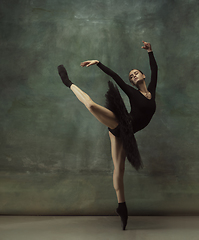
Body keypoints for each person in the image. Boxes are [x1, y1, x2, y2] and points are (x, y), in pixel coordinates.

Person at [57, 41, 158, 230]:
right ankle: (68, 83)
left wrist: (150, 51)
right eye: (131, 76)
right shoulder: (131, 91)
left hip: (123, 135)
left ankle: (122, 207)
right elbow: (116, 77)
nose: (133, 75)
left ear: (143, 76)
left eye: (136, 73)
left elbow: (155, 68)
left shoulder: (152, 90)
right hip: (119, 122)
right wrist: (98, 63)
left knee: (119, 170)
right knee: (92, 106)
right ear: (131, 83)